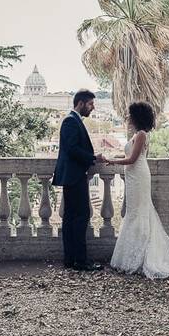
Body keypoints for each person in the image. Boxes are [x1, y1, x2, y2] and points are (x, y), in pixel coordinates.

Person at [107, 101, 169, 279]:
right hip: (135, 176)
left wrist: (113, 162)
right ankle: (131, 255)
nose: (128, 118)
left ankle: (139, 256)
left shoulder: (141, 134)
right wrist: (116, 157)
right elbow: (129, 155)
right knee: (135, 212)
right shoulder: (137, 135)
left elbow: (133, 159)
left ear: (136, 117)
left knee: (139, 212)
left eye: (130, 115)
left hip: (138, 175)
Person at [52, 89, 109, 271]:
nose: (93, 108)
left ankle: (71, 260)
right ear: (81, 103)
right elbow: (72, 149)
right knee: (80, 217)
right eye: (91, 104)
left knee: (70, 218)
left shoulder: (73, 120)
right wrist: (93, 158)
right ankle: (80, 261)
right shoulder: (70, 121)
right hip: (74, 176)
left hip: (72, 175)